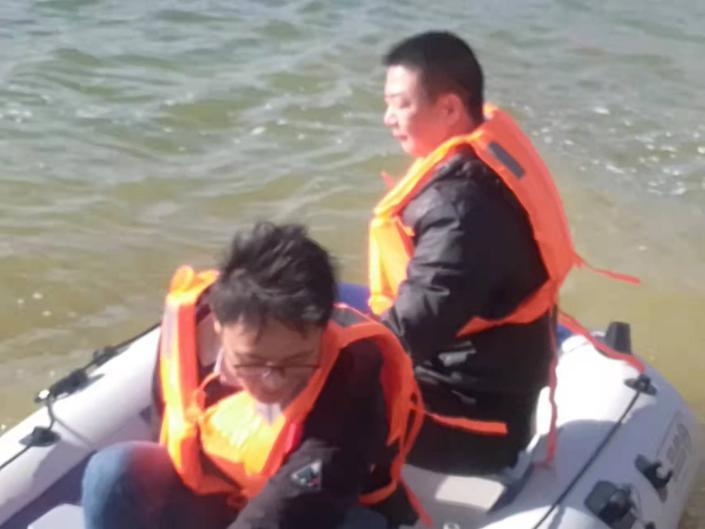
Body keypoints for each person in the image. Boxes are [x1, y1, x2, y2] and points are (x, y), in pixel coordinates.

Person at [81, 222, 424, 529]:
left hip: (317, 506)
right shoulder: (188, 338)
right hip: (217, 493)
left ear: (323, 331)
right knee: (111, 471)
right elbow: (167, 429)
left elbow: (308, 491)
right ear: (218, 325)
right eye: (253, 362)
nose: (273, 381)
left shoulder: (355, 371)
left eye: (297, 361)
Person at [368, 31, 582, 474]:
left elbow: (410, 329)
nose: (388, 118)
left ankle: (376, 506)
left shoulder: (460, 212)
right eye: (387, 104)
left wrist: (307, 369)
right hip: (473, 379)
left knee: (323, 406)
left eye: (400, 104)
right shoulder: (476, 164)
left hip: (477, 422)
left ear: (449, 108)